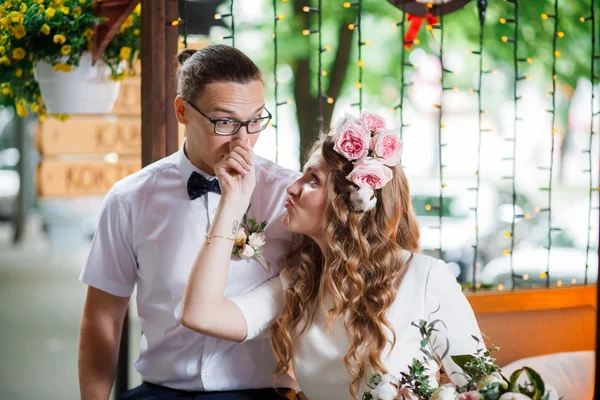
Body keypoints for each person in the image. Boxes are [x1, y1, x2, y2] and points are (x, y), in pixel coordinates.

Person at [180, 112, 484, 400]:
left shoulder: (424, 277)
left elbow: (482, 384)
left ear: (350, 204)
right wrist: (232, 202)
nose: (292, 187)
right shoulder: (299, 286)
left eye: (312, 180)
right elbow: (200, 314)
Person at [77, 45, 300, 400]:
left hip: (262, 392)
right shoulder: (129, 198)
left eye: (255, 120)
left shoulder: (289, 194)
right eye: (224, 122)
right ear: (182, 111)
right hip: (161, 391)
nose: (244, 141)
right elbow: (102, 318)